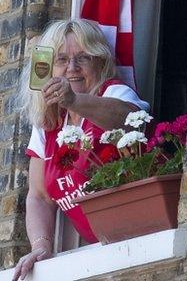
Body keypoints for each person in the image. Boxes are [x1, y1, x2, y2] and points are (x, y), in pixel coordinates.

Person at [12, 19, 149, 281]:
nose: (72, 69)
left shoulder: (115, 92)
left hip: (138, 240)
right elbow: (39, 196)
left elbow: (128, 118)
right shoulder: (48, 122)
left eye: (83, 58)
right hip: (99, 253)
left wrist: (74, 101)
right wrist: (41, 246)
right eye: (62, 60)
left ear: (99, 63)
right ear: (48, 69)